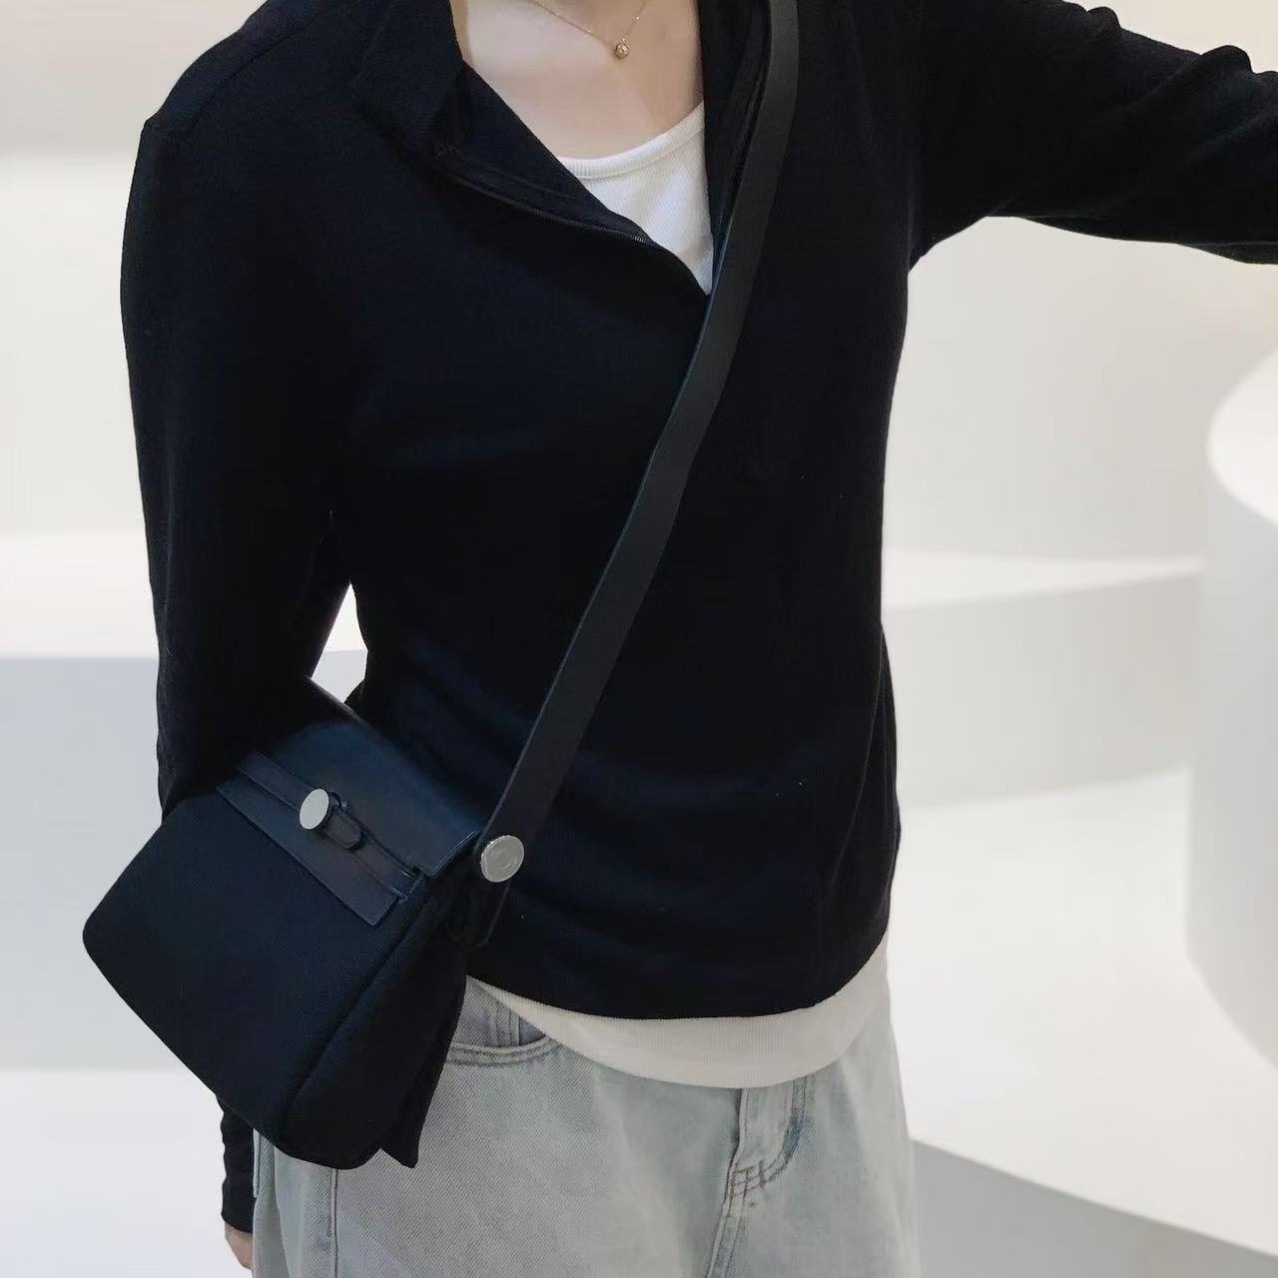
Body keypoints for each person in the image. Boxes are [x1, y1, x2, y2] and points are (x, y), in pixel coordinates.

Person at [117, 0, 1276, 1268]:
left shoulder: (861, 36)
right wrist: (259, 1134)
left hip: (831, 1056)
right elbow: (231, 700)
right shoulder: (268, 138)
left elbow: (1225, 147)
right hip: (478, 1081)